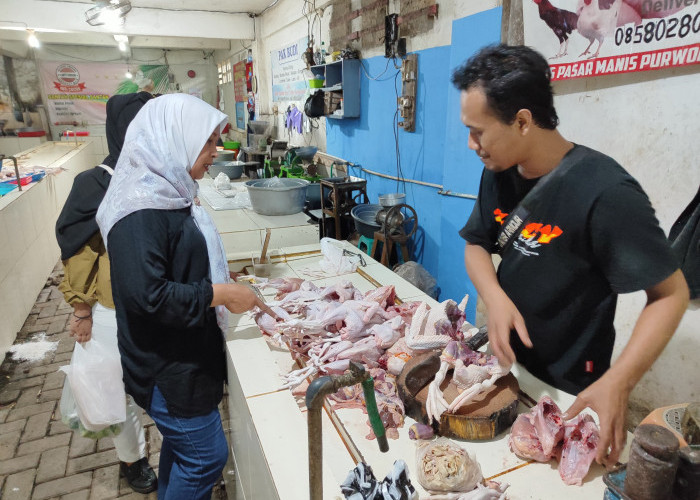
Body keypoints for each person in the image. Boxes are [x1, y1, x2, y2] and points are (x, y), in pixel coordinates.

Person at [453, 44, 689, 468]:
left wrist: (620, 382)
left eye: (478, 131)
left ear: (522, 121)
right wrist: (495, 296)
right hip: (507, 370)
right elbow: (476, 243)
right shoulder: (499, 169)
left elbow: (671, 294)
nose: (471, 144)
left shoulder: (605, 192)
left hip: (568, 385)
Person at [96, 93, 275, 499]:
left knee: (183, 447)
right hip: (167, 367)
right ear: (172, 139)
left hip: (184, 351)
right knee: (206, 457)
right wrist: (222, 292)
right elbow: (149, 297)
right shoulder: (138, 213)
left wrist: (216, 278)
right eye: (208, 142)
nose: (217, 152)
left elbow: (176, 261)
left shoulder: (169, 191)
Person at [55, 91, 157, 493]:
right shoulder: (95, 183)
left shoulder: (159, 174)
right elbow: (78, 253)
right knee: (118, 389)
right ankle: (131, 459)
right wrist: (81, 310)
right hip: (113, 309)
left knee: (154, 381)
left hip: (156, 301)